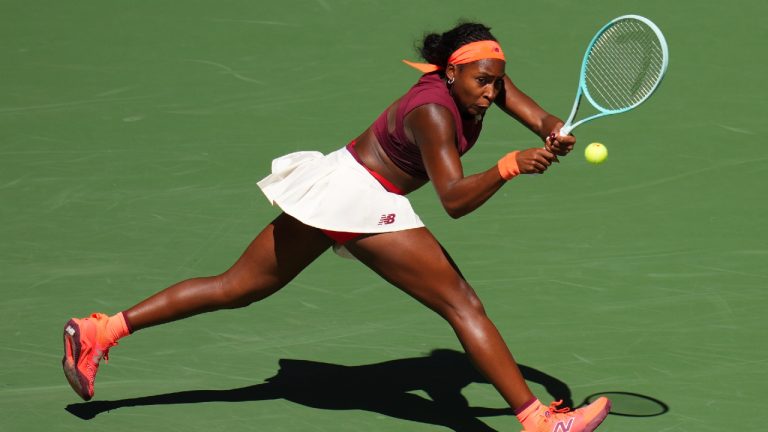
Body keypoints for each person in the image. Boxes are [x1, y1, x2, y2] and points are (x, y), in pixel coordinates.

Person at [62, 22, 611, 432]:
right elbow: (454, 200)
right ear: (451, 72)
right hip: (361, 198)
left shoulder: (482, 82)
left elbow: (533, 112)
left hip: (338, 181)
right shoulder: (435, 114)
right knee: (462, 304)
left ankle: (100, 330)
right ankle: (539, 420)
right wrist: (510, 165)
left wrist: (554, 130)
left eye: (496, 81)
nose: (491, 93)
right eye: (482, 82)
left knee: (236, 287)